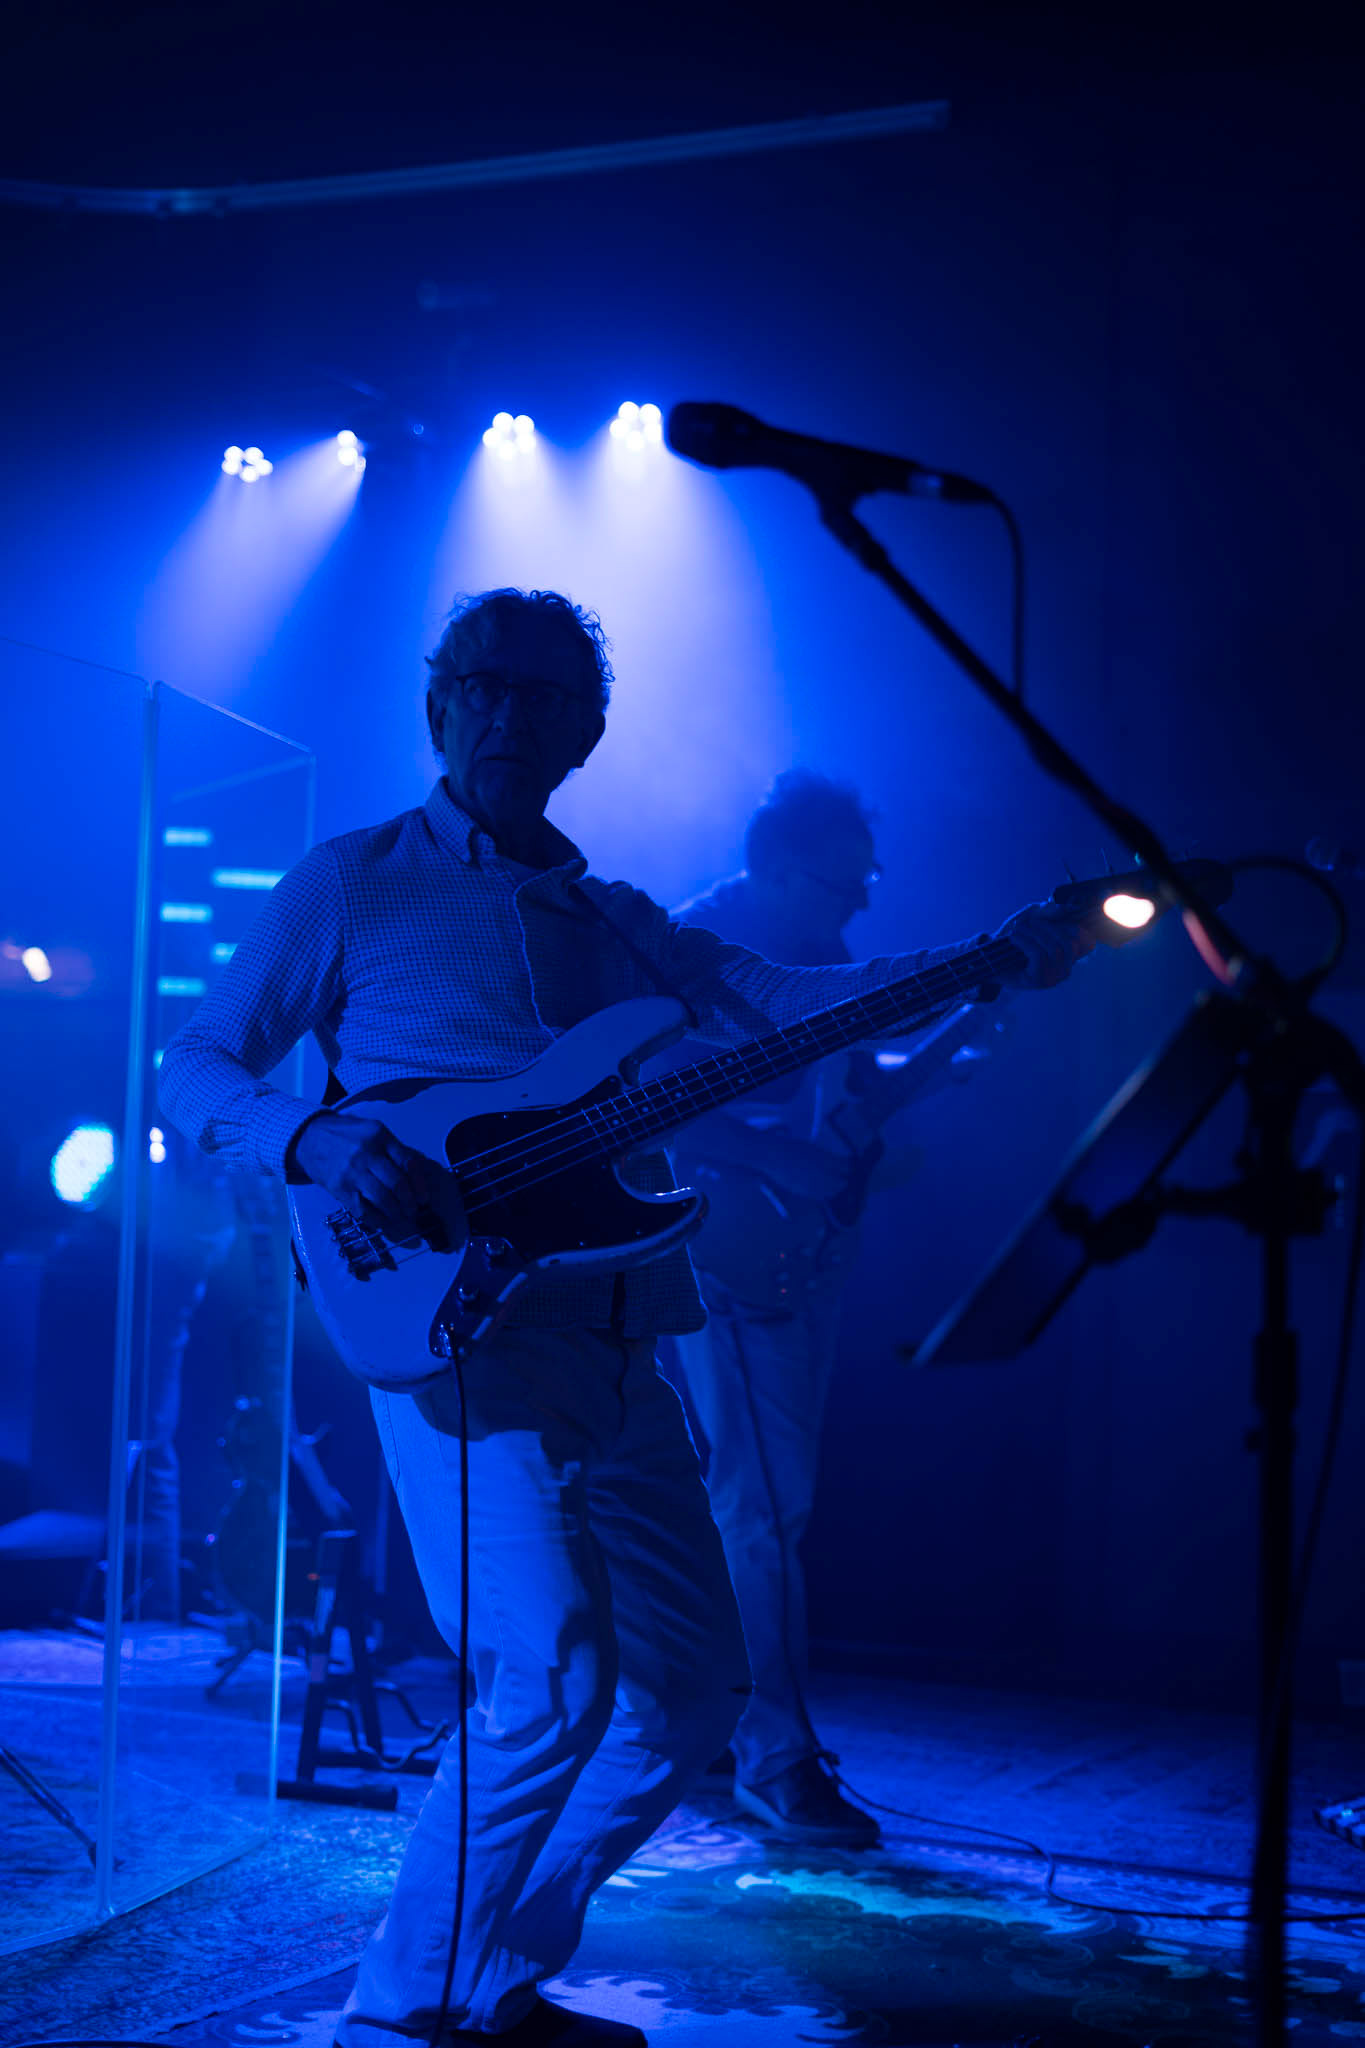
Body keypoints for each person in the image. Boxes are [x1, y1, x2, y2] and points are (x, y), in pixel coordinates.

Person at [158, 588, 1093, 2048]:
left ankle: (489, 1977)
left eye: (544, 695)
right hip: (460, 1326)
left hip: (625, 1329)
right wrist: (317, 1136)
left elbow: (803, 996)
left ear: (587, 732)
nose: (508, 713)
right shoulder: (351, 882)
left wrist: (992, 954)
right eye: (484, 685)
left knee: (688, 1693)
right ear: (438, 707)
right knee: (547, 1678)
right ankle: (396, 2018)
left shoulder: (626, 921)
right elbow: (197, 1063)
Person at [664, 771, 998, 1847]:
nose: (855, 910)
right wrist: (776, 1162)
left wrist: (923, 1069)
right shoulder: (686, 951)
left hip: (792, 1254)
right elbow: (643, 1104)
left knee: (756, 1507)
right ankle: (776, 1761)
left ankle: (721, 1729)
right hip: (722, 1250)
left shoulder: (814, 955)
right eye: (838, 887)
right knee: (761, 1507)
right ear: (769, 867)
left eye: (865, 889)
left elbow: (830, 1090)